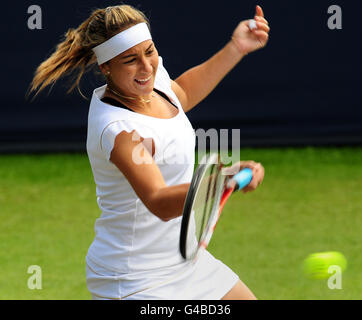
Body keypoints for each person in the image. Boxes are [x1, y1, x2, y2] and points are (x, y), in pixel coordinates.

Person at [28, 4, 268, 300]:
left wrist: (236, 48)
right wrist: (219, 180)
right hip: (135, 280)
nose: (146, 66)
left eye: (149, 51)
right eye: (130, 60)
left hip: (185, 260)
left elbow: (183, 93)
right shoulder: (120, 132)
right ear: (106, 67)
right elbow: (158, 201)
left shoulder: (150, 81)